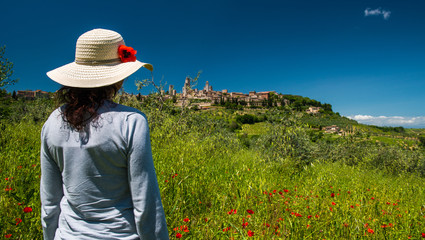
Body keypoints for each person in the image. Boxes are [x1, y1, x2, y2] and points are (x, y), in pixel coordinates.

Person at [40, 29, 169, 240]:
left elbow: (50, 202)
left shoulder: (51, 123)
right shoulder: (132, 122)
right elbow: (146, 204)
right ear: (117, 78)